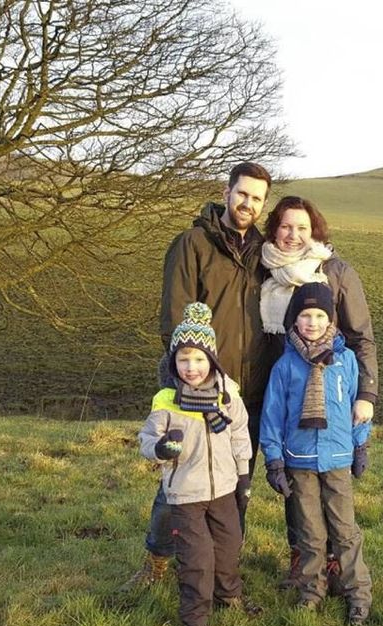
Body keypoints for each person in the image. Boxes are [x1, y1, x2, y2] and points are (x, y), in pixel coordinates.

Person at [123, 162, 273, 588]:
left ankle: (222, 568)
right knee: (178, 485)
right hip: (195, 386)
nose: (248, 204)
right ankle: (156, 562)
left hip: (247, 392)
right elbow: (174, 317)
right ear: (226, 193)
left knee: (234, 483)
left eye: (257, 198)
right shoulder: (193, 244)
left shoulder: (264, 254)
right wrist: (188, 380)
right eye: (242, 194)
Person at [260, 195, 379, 587]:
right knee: (298, 491)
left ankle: (335, 564)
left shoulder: (337, 272)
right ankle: (304, 559)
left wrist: (367, 394)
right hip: (283, 386)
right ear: (274, 229)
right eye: (285, 227)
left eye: (302, 228)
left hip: (331, 388)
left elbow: (361, 337)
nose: (293, 235)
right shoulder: (264, 270)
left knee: (334, 494)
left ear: (316, 231)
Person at [139, 302, 261, 626]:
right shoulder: (167, 401)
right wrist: (161, 449)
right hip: (185, 494)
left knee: (228, 547)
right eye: (183, 359)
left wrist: (243, 477)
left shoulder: (227, 396)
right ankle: (195, 620)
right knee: (197, 559)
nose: (191, 367)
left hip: (224, 489)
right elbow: (147, 440)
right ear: (173, 363)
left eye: (198, 359)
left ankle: (229, 595)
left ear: (212, 359)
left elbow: (239, 435)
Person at [260, 282, 373, 626]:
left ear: (330, 319)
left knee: (345, 531)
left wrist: (361, 444)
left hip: (338, 459)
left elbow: (357, 408)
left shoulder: (347, 361)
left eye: (319, 315)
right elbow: (272, 416)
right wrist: (275, 460)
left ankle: (358, 594)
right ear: (294, 320)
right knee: (310, 533)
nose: (312, 322)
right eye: (305, 315)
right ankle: (312, 592)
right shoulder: (284, 367)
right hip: (299, 461)